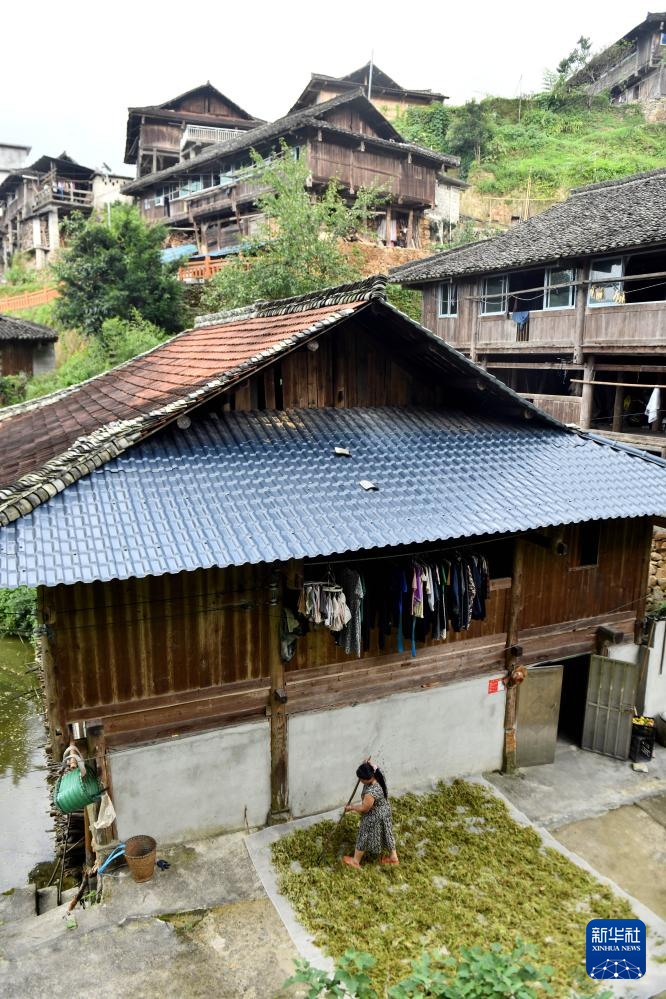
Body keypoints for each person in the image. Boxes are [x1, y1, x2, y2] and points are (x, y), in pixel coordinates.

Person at [342, 760, 399, 868]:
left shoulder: (371, 792)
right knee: (387, 832)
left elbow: (364, 808)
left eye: (361, 779)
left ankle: (355, 861)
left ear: (366, 779)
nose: (360, 781)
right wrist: (368, 763)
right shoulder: (378, 774)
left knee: (363, 836)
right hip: (385, 810)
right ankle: (394, 858)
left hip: (374, 816)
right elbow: (376, 767)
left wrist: (351, 808)